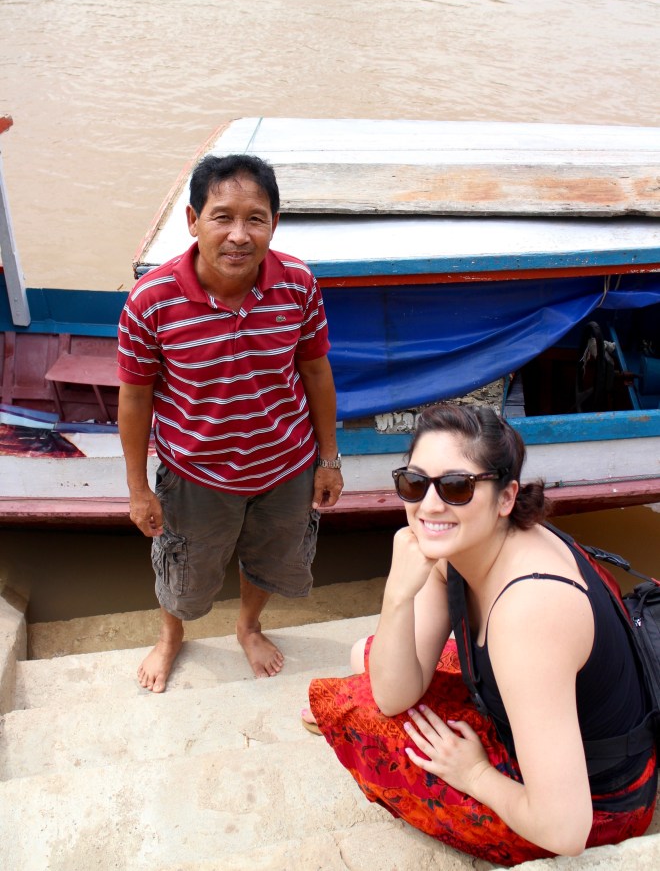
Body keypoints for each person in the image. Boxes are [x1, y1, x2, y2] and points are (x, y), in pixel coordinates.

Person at [305, 404, 657, 865]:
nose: (429, 506)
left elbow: (564, 830)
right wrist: (396, 595)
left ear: (506, 498)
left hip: (602, 804)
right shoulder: (462, 544)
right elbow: (396, 693)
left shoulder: (528, 612)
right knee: (366, 658)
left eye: (456, 487)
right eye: (414, 483)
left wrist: (474, 776)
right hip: (552, 712)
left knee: (356, 712)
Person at [118, 152, 343, 693]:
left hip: (285, 465)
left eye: (255, 219)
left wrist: (328, 459)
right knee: (184, 574)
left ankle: (248, 627)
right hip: (196, 476)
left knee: (269, 560)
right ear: (194, 221)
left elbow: (315, 370)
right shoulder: (152, 303)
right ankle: (171, 636)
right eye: (223, 217)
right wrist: (137, 488)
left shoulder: (297, 285)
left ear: (273, 223)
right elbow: (134, 398)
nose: (239, 235)